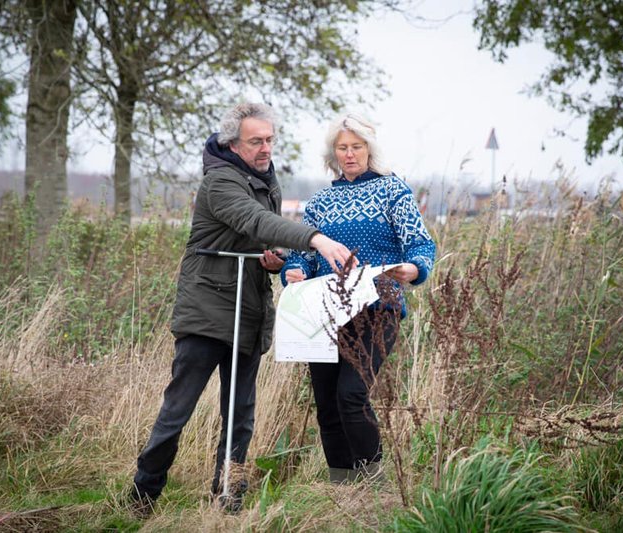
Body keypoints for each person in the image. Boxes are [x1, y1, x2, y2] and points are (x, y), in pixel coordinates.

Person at [130, 102, 355, 515]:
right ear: (232, 144)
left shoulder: (267, 182)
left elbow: (260, 239)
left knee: (240, 416)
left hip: (249, 312)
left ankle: (228, 499)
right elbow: (254, 220)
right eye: (256, 141)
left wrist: (274, 259)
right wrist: (316, 239)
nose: (265, 148)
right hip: (206, 311)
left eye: (270, 139)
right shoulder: (219, 183)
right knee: (178, 410)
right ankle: (143, 496)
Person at [280, 113, 435, 484]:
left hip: (378, 306)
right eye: (342, 148)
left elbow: (421, 244)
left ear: (370, 149)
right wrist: (293, 271)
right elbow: (303, 252)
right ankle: (342, 487)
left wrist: (414, 269)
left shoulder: (393, 190)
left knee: (351, 394)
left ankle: (373, 481)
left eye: (357, 147)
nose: (349, 154)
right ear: (333, 153)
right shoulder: (319, 201)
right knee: (327, 405)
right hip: (324, 310)